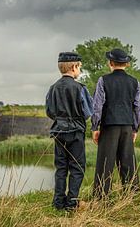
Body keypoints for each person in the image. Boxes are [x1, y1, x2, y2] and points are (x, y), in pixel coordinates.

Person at [91, 48, 140, 198]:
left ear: (111, 63)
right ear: (126, 64)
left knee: (105, 164)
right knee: (128, 162)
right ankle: (132, 196)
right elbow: (138, 108)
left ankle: (101, 198)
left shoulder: (103, 80)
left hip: (109, 126)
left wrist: (95, 126)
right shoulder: (134, 82)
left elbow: (97, 106)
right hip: (127, 126)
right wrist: (135, 128)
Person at [46, 52, 93, 210]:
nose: (80, 70)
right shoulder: (80, 88)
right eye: (80, 67)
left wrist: (60, 118)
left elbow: (49, 111)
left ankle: (58, 202)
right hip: (76, 132)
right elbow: (88, 112)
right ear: (74, 67)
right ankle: (72, 202)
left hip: (59, 131)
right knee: (77, 167)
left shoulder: (53, 88)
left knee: (61, 167)